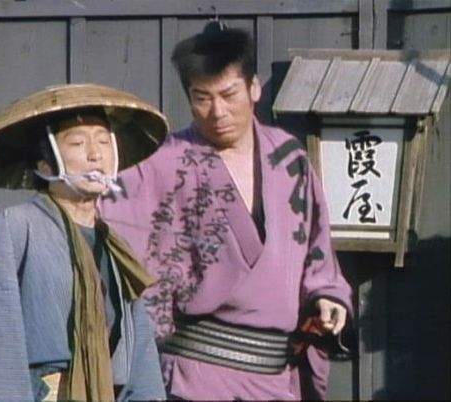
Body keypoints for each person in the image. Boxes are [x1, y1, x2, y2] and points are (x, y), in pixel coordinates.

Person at [99, 22, 353, 401]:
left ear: (254, 88)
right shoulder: (161, 162)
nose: (217, 111)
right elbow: (105, 219)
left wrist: (326, 295)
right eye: (202, 98)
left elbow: (317, 249)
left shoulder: (289, 158)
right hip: (193, 377)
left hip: (274, 378)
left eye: (228, 94)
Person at [0, 83, 168, 402]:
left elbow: (140, 351)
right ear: (45, 166)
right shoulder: (18, 227)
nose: (95, 154)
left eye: (103, 141)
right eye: (77, 143)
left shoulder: (113, 245)